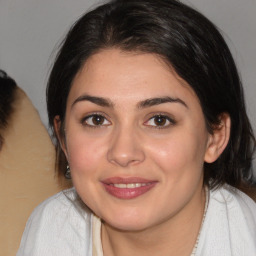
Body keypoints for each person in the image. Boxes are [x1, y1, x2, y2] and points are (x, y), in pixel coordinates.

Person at [17, 0, 256, 255]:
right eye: (97, 119)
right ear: (63, 137)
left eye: (159, 120)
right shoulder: (49, 229)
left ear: (215, 137)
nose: (123, 153)